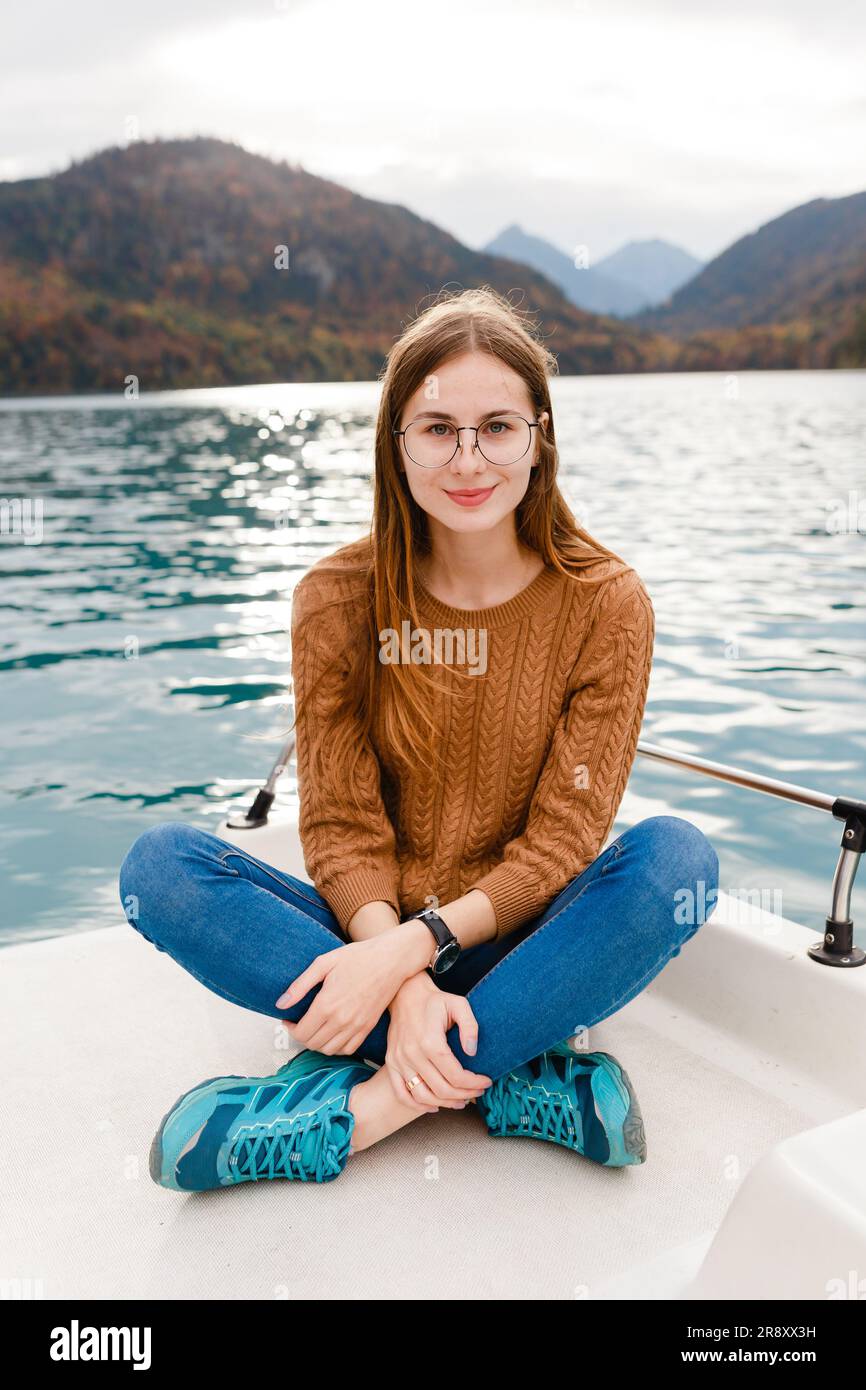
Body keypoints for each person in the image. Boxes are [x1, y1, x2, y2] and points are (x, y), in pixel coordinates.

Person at [119, 286, 719, 1192]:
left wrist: (414, 956)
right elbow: (343, 827)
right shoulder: (335, 597)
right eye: (437, 428)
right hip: (366, 928)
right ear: (396, 443)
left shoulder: (606, 603)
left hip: (520, 930)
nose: (468, 458)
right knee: (158, 867)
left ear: (539, 437)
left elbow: (563, 842)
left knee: (679, 861)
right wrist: (397, 972)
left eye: (498, 427)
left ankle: (360, 1111)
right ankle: (513, 1071)